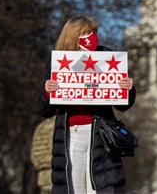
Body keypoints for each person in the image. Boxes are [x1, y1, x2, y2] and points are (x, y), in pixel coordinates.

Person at [38, 17, 136, 194]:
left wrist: (128, 89)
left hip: (98, 135)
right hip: (71, 136)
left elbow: (123, 105)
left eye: (93, 32)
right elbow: (44, 110)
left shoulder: (107, 58)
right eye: (85, 33)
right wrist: (47, 91)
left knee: (98, 188)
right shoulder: (59, 63)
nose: (90, 36)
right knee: (73, 188)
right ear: (73, 36)